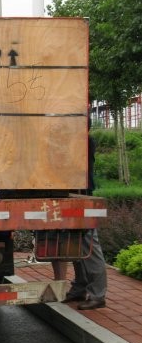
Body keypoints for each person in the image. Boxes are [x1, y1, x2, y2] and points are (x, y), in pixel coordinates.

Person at [61, 117, 107, 310]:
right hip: (75, 196)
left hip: (82, 198)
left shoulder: (84, 142)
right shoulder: (78, 141)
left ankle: (98, 294)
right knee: (76, 246)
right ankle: (80, 286)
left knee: (89, 245)